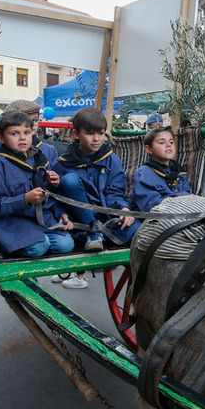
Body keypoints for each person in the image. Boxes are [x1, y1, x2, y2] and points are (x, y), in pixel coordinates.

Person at [54, 107, 138, 289]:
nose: (96, 139)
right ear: (75, 134)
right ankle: (92, 232)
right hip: (79, 222)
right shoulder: (62, 163)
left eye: (100, 133)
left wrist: (123, 208)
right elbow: (56, 199)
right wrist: (61, 214)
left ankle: (99, 234)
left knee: (140, 232)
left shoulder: (111, 159)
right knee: (69, 181)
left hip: (106, 218)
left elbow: (115, 193)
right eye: (90, 134)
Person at [0, 111, 74, 258]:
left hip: (42, 219)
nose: (23, 137)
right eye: (14, 134)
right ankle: (13, 248)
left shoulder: (39, 158)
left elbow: (51, 198)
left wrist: (61, 213)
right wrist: (25, 199)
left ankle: (39, 241)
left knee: (66, 245)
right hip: (14, 223)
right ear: (0, 138)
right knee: (39, 247)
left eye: (26, 132)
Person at [131, 127, 193, 212]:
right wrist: (181, 198)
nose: (168, 145)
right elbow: (150, 205)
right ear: (148, 149)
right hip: (154, 219)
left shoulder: (179, 170)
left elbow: (188, 193)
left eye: (171, 142)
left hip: (181, 215)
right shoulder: (144, 173)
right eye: (161, 142)